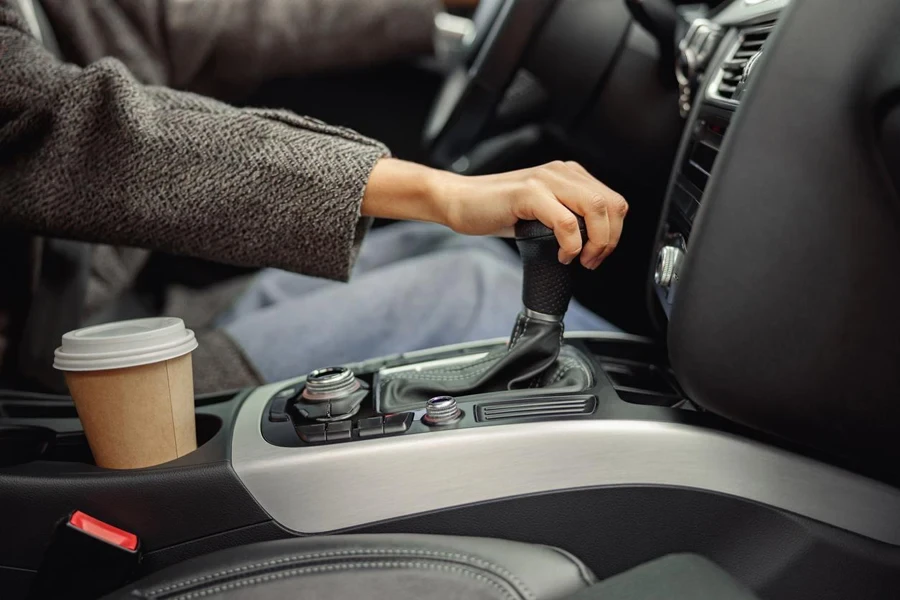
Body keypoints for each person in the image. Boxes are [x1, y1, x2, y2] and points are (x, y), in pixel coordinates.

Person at [0, 0, 627, 393]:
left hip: (133, 309)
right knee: (471, 290)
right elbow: (88, 132)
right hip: (83, 381)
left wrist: (438, 7)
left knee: (455, 255)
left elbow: (200, 19)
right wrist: (441, 192)